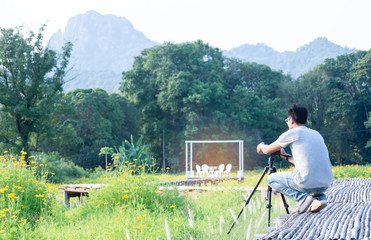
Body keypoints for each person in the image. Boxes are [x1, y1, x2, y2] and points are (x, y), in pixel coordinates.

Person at [256, 103, 333, 213]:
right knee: (305, 175)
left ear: (291, 120)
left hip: (307, 183)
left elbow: (268, 150)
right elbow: (305, 162)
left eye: (287, 120)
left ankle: (302, 200)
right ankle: (320, 199)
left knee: (271, 179)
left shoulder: (292, 133)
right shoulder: (316, 133)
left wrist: (260, 146)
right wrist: (285, 157)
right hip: (325, 183)